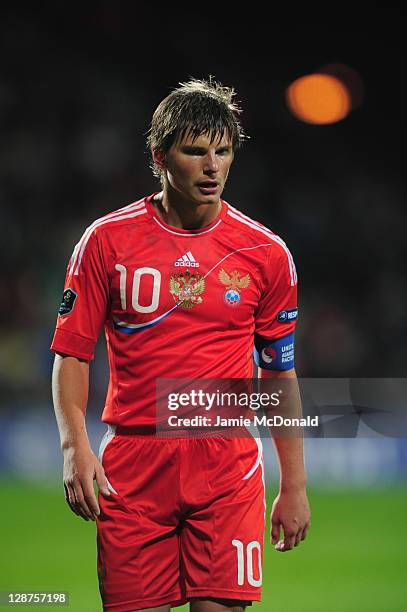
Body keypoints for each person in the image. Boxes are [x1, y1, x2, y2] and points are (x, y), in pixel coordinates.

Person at [51, 77, 311, 612]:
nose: (212, 166)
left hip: (227, 459)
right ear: (160, 156)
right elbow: (73, 352)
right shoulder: (106, 240)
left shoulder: (265, 253)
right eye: (195, 152)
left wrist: (295, 484)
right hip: (134, 461)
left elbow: (278, 374)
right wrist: (74, 444)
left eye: (223, 152)